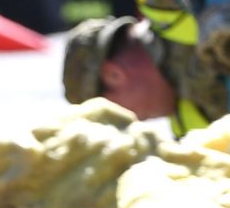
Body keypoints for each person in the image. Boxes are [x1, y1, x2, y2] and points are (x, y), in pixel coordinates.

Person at [60, 14, 202, 134]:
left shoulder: (198, 12)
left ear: (113, 74)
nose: (134, 122)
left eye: (113, 113)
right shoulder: (188, 128)